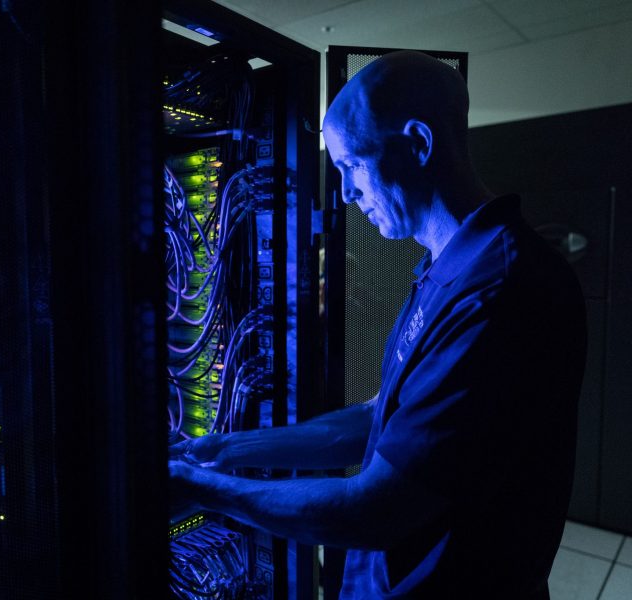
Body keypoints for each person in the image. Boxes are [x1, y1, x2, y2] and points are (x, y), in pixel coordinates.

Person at [169, 50, 587, 599]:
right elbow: (381, 420)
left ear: (418, 144)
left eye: (352, 165)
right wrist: (227, 451)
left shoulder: (500, 291)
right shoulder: (447, 268)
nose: (343, 193)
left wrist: (203, 490)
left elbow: (376, 509)